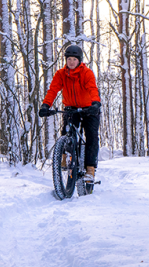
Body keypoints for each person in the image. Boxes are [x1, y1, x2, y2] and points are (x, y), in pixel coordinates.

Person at [38, 45, 101, 193]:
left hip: (89, 108)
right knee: (66, 133)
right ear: (66, 60)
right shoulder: (61, 74)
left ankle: (90, 169)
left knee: (91, 137)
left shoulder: (86, 73)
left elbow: (92, 89)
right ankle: (65, 157)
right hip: (71, 108)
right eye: (69, 59)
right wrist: (46, 105)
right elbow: (53, 89)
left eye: (74, 59)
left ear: (79, 60)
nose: (71, 62)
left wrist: (95, 103)